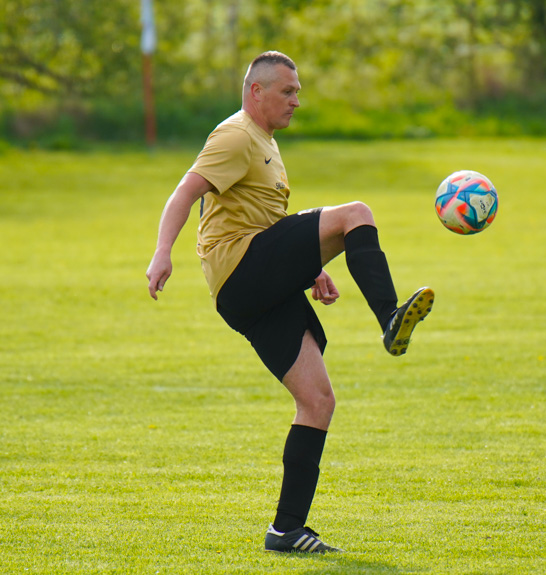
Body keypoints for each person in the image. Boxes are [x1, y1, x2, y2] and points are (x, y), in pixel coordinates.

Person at [145, 51, 433, 554]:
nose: (297, 100)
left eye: (297, 91)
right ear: (255, 92)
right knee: (356, 214)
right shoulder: (236, 135)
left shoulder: (268, 145)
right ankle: (390, 317)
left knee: (318, 401)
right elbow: (184, 193)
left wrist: (312, 267)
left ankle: (286, 530)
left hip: (251, 290)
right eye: (287, 91)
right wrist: (162, 252)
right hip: (240, 273)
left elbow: (264, 224)